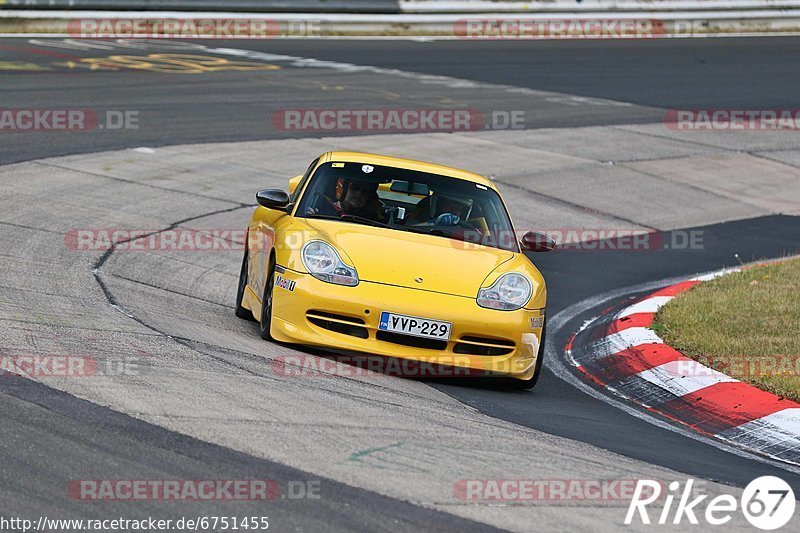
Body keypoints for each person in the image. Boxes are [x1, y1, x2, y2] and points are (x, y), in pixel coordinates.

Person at [306, 178, 385, 221]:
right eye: (355, 188)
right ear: (343, 189)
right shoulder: (320, 210)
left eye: (365, 192)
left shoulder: (375, 221)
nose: (358, 195)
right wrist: (309, 217)